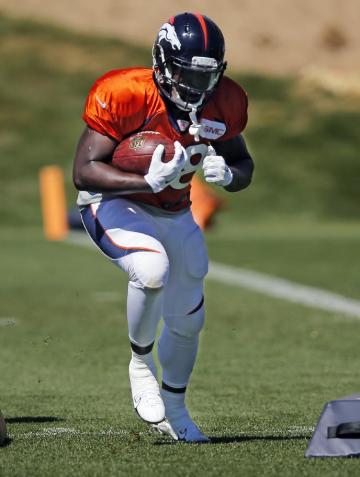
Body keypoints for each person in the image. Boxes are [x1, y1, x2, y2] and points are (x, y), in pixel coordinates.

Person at [73, 12, 254, 442]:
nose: (197, 85)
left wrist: (229, 176)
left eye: (205, 75)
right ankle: (140, 364)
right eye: (187, 71)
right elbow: (83, 171)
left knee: (189, 319)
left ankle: (175, 407)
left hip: (174, 210)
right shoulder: (124, 93)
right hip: (114, 203)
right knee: (152, 270)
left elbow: (242, 163)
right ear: (162, 60)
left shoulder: (224, 101)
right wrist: (144, 181)